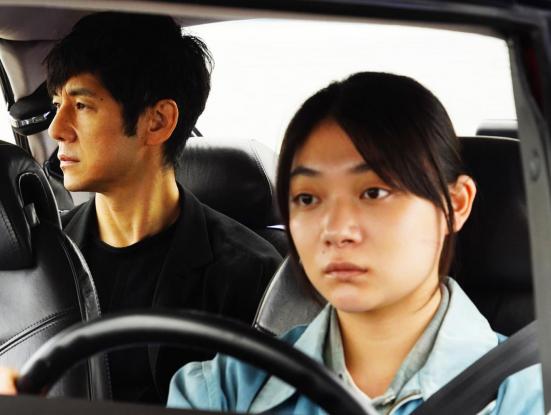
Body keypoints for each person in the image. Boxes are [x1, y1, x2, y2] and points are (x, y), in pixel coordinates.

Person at [166, 72, 543, 414]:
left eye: (374, 193)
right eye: (307, 198)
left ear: (454, 204)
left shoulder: (530, 398)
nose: (335, 230)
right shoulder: (220, 390)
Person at [0, 12, 282, 404]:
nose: (56, 129)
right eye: (57, 103)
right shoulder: (39, 262)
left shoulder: (250, 274)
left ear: (157, 122)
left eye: (81, 105)